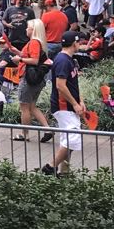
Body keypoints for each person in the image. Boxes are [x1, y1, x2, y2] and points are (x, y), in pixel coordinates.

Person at [42, 31, 85, 175]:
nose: (80, 45)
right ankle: (50, 167)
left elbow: (74, 84)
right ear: (74, 43)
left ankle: (64, 171)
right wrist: (74, 103)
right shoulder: (62, 60)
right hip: (63, 106)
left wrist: (80, 101)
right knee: (72, 139)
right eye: (79, 42)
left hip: (68, 105)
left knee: (68, 140)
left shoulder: (69, 60)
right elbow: (60, 85)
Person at [4, 19, 52, 142]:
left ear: (33, 30)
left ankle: (24, 134)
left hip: (28, 78)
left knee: (24, 107)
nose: (26, 29)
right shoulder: (37, 42)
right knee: (31, 107)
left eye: (28, 27)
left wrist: (19, 59)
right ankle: (48, 129)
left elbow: (34, 61)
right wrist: (19, 53)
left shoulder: (34, 42)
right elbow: (32, 57)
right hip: (36, 79)